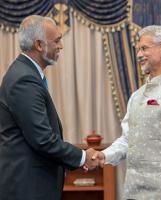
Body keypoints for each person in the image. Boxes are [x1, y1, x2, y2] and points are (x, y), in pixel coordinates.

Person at [92, 25, 161, 200]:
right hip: (132, 192)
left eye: (144, 48)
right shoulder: (136, 96)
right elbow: (128, 140)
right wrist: (105, 155)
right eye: (138, 49)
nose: (139, 55)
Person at [0, 15, 97, 200]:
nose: (61, 46)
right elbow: (42, 139)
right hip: (27, 188)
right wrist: (83, 157)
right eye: (57, 40)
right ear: (39, 45)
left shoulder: (25, 73)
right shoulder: (24, 79)